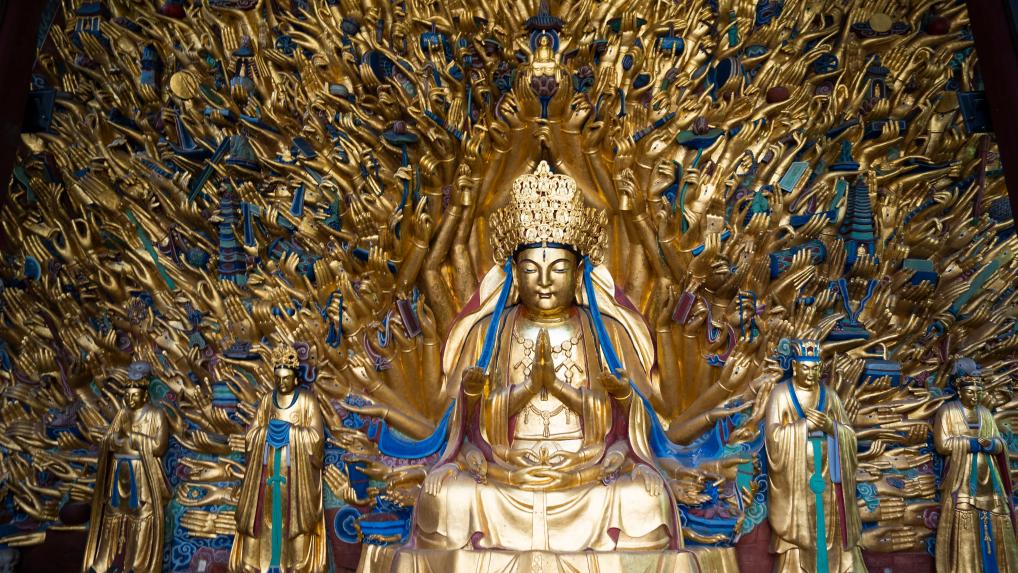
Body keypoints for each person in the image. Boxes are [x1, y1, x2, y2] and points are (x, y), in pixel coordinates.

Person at [765, 339, 866, 573]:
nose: (810, 374)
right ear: (795, 367)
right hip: (797, 481)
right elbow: (773, 436)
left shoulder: (829, 396)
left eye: (815, 369)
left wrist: (831, 427)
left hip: (830, 479)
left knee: (834, 526)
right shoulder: (781, 394)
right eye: (805, 368)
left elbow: (850, 436)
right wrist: (804, 427)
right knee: (802, 533)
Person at [230, 345, 327, 573]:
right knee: (260, 518)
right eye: (278, 378)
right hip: (266, 475)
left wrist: (289, 432)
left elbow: (316, 438)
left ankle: (296, 564)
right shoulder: (267, 401)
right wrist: (266, 433)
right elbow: (251, 435)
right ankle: (255, 564)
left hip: (295, 478)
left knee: (294, 521)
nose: (282, 383)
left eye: (286, 378)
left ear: (296, 379)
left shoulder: (306, 401)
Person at [82, 364, 170, 573]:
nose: (130, 400)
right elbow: (109, 439)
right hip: (119, 469)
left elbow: (159, 446)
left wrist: (134, 438)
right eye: (127, 395)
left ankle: (137, 565)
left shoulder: (155, 414)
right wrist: (113, 440)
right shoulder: (122, 414)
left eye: (135, 395)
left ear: (145, 396)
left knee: (142, 513)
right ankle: (103, 563)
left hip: (142, 470)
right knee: (112, 513)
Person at [934, 358, 1018, 573]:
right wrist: (971, 443)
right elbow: (943, 444)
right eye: (970, 392)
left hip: (990, 479)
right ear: (959, 391)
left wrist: (992, 444)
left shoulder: (986, 414)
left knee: (1000, 519)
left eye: (979, 392)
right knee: (965, 520)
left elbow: (999, 443)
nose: (975, 396)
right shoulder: (948, 411)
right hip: (962, 478)